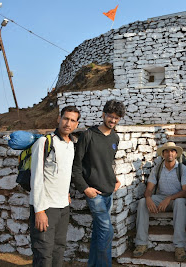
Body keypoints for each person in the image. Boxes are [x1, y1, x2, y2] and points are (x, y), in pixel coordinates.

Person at [72, 99, 125, 267]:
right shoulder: (88, 135)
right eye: (111, 116)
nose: (113, 120)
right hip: (94, 193)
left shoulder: (115, 137)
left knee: (99, 234)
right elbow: (76, 166)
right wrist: (85, 188)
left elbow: (107, 162)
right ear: (103, 115)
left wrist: (113, 177)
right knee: (106, 231)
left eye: (117, 118)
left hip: (109, 191)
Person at [29, 106, 80, 267]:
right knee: (44, 253)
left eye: (73, 120)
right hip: (46, 207)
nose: (68, 123)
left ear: (76, 125)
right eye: (66, 118)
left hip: (63, 206)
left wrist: (66, 193)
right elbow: (36, 178)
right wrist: (39, 210)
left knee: (59, 249)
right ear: (59, 118)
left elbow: (64, 173)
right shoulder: (44, 142)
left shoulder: (71, 144)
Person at [133, 142, 186, 262]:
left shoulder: (182, 169)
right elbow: (149, 189)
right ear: (163, 154)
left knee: (180, 203)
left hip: (176, 199)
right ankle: (141, 243)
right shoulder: (157, 168)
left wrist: (169, 198)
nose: (169, 153)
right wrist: (148, 198)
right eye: (166, 151)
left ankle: (179, 246)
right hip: (160, 198)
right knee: (143, 202)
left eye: (172, 151)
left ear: (176, 154)